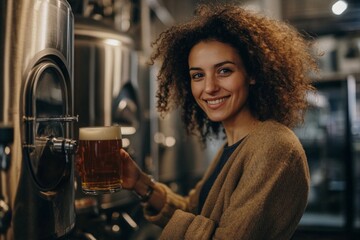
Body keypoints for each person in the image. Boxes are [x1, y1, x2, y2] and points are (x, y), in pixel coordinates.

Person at [119, 3, 319, 239]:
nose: (210, 88)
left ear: (252, 74)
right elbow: (195, 212)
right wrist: (140, 182)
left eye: (224, 71)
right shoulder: (234, 145)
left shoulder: (273, 146)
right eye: (198, 75)